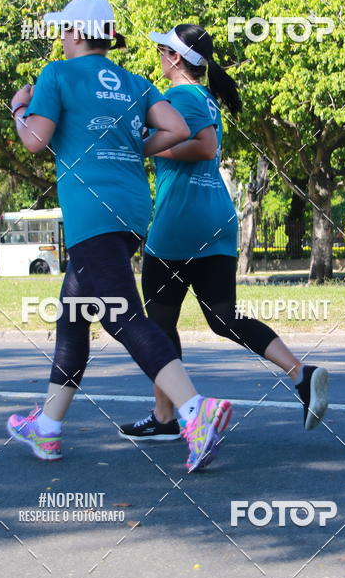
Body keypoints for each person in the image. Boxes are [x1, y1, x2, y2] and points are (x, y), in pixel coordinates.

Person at [6, 0, 232, 471]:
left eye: (63, 31)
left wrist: (19, 106)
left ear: (74, 33)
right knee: (74, 317)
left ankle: (196, 411)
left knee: (119, 316)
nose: (59, 39)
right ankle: (46, 429)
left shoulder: (57, 75)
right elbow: (176, 126)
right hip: (131, 210)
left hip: (92, 212)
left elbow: (34, 140)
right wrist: (133, 146)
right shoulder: (134, 82)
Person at [119, 24, 329, 442]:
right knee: (222, 318)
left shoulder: (180, 96)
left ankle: (169, 417)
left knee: (158, 324)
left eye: (163, 51)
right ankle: (300, 373)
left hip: (181, 223)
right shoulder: (204, 98)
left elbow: (206, 147)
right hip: (216, 219)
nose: (159, 57)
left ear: (176, 58)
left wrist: (147, 144)